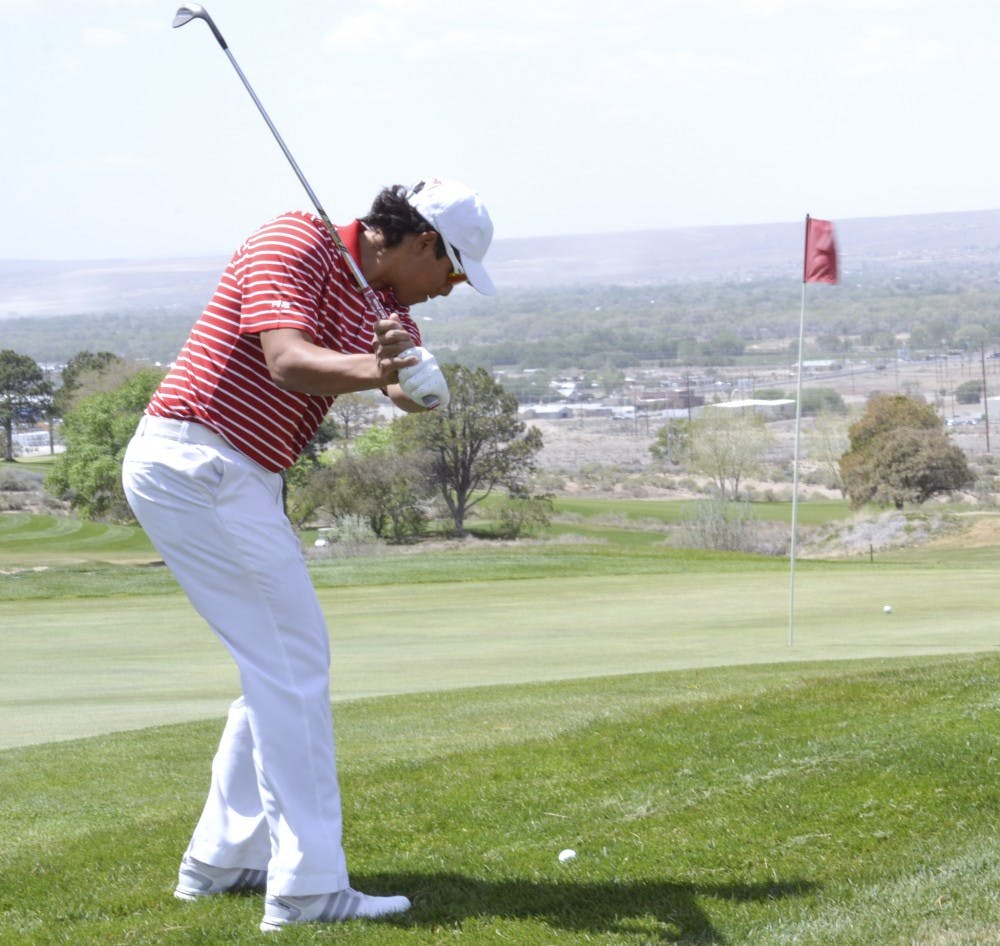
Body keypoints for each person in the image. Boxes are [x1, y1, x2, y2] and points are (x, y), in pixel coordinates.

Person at [121, 178, 495, 933]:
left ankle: (222, 861)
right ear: (424, 242)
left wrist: (419, 384)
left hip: (243, 478)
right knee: (292, 667)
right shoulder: (292, 240)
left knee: (279, 666)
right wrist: (383, 370)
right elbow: (287, 361)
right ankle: (308, 888)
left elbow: (400, 387)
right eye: (453, 272)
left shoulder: (387, 306)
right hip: (198, 462)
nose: (451, 289)